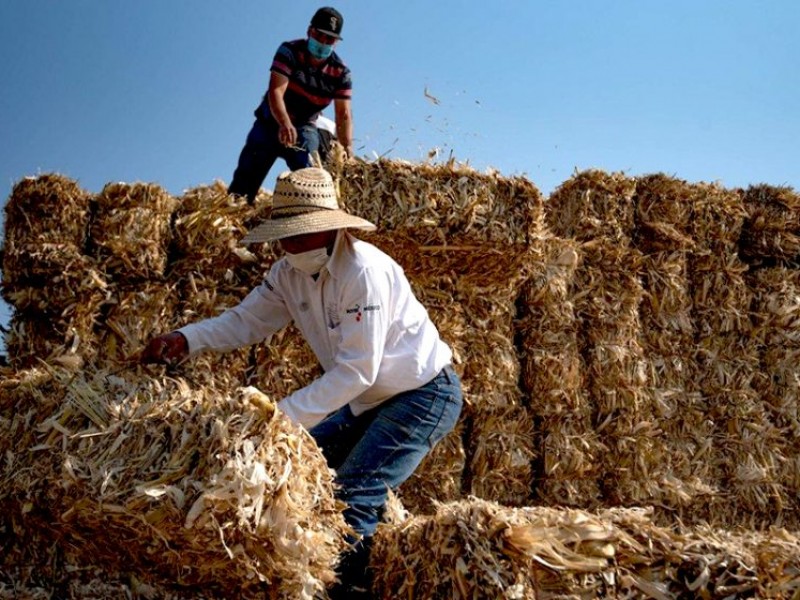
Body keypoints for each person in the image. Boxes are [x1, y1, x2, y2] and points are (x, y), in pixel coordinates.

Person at [142, 167, 463, 599]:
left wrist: (278, 419)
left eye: (298, 234)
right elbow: (247, 321)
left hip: (422, 393)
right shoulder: (288, 273)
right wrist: (187, 338)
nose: (287, 244)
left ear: (328, 230)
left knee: (352, 495)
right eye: (284, 235)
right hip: (369, 401)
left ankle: (348, 590)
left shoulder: (362, 272)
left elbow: (357, 370)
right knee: (305, 471)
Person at [228, 7, 354, 204]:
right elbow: (276, 91)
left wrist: (347, 149)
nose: (323, 43)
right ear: (310, 31)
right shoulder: (289, 51)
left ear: (336, 42)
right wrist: (284, 122)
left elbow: (343, 114)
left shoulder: (341, 72)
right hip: (270, 122)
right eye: (319, 36)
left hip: (304, 126)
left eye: (329, 40)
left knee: (312, 178)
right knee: (242, 189)